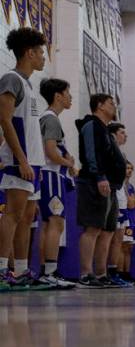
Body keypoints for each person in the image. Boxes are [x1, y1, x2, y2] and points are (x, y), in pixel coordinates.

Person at [0, 27, 49, 290]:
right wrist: (21, 160)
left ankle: (20, 271)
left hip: (34, 161)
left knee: (27, 218)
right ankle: (0, 270)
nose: (43, 57)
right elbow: (5, 121)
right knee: (12, 214)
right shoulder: (11, 79)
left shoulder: (28, 85)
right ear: (29, 53)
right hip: (22, 161)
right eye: (41, 52)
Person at [76, 93, 127, 288]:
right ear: (99, 105)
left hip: (111, 187)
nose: (114, 106)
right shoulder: (91, 125)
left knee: (107, 232)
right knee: (92, 229)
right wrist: (99, 176)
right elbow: (91, 153)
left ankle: (101, 273)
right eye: (111, 103)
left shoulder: (105, 129)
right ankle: (85, 274)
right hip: (95, 183)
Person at [37, 78, 77, 289]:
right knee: (56, 222)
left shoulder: (48, 118)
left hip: (49, 175)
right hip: (51, 175)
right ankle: (49, 272)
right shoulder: (51, 119)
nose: (71, 97)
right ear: (58, 96)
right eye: (68, 92)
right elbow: (50, 152)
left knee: (47, 224)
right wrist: (68, 162)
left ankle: (46, 271)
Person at [105, 122, 131, 286]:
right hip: (112, 199)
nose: (125, 135)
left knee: (119, 240)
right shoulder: (109, 152)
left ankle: (114, 271)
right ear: (113, 135)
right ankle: (104, 272)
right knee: (108, 238)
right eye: (122, 132)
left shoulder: (122, 153)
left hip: (122, 202)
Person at [119, 161, 135, 283]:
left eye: (131, 168)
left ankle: (127, 273)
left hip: (133, 218)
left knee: (129, 248)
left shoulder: (130, 186)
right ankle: (120, 273)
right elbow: (131, 203)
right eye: (127, 168)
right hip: (125, 217)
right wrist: (134, 200)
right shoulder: (121, 185)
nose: (129, 170)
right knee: (122, 247)